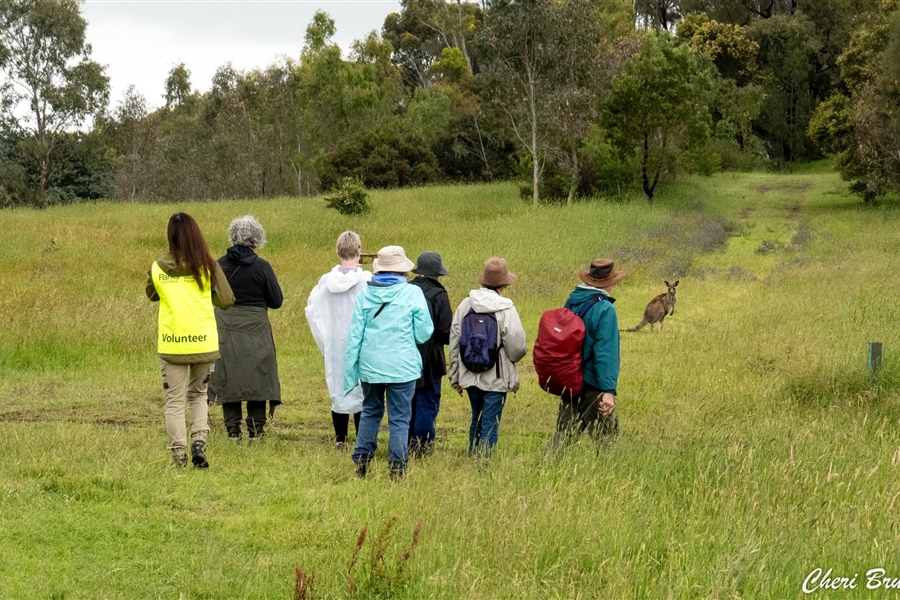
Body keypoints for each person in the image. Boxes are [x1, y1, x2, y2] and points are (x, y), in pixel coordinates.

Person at [146, 212, 234, 468]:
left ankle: (178, 454)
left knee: (174, 400)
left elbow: (151, 294)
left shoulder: (158, 267)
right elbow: (227, 300)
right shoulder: (209, 267)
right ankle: (199, 442)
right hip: (203, 342)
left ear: (170, 236)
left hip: (172, 343)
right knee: (198, 395)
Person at [344, 246, 433, 479]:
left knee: (371, 411)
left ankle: (362, 461)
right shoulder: (413, 294)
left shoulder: (365, 294)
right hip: (403, 366)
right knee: (400, 417)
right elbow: (424, 332)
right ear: (403, 270)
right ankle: (397, 467)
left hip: (370, 365)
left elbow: (355, 335)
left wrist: (351, 369)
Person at [207, 215, 283, 442]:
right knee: (257, 377)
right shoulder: (262, 267)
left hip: (225, 327)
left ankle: (232, 432)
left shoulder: (218, 264)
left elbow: (211, 296)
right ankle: (256, 432)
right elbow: (276, 301)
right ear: (257, 239)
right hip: (256, 330)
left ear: (232, 237)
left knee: (228, 376)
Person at [449, 257, 527, 457]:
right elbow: (517, 346)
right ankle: (483, 464)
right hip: (496, 377)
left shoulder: (466, 304)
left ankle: (473, 455)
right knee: (491, 421)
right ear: (504, 284)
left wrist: (455, 376)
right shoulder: (506, 308)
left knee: (477, 417)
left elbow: (455, 341)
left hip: (469, 372)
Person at [550, 258, 626, 449]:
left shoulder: (572, 300)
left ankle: (542, 472)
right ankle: (611, 477)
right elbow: (606, 353)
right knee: (607, 440)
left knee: (563, 435)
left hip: (570, 377)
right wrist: (608, 391)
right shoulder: (605, 308)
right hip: (592, 382)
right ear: (609, 282)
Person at [305, 231, 371, 449]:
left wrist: (325, 337)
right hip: (360, 342)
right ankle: (361, 437)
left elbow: (313, 310)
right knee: (361, 387)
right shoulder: (367, 280)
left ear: (338, 251)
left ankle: (340, 438)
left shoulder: (326, 281)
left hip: (335, 342)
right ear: (359, 252)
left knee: (338, 386)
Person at [408, 252, 452, 456]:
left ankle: (403, 443)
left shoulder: (405, 290)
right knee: (427, 402)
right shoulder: (439, 295)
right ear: (437, 273)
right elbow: (445, 332)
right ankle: (421, 447)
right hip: (431, 359)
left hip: (405, 353)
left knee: (406, 401)